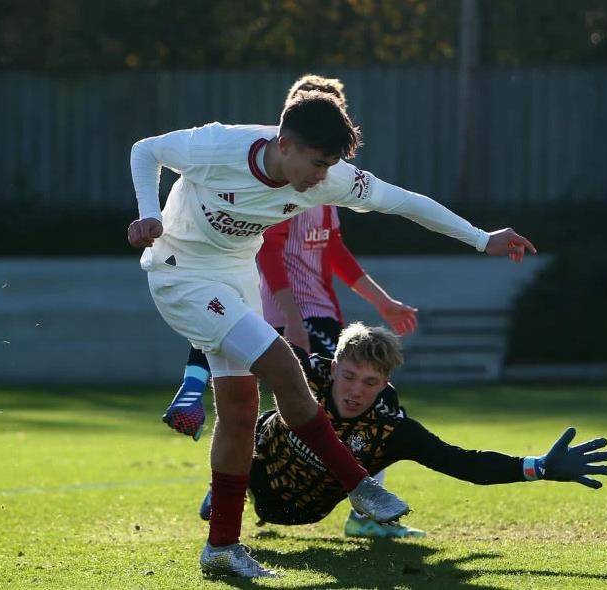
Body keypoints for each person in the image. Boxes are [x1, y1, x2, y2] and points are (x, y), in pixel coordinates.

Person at [127, 90, 535, 578]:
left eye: (330, 167)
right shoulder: (218, 146)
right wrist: (148, 211)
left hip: (234, 273)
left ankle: (221, 549)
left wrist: (482, 238)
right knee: (281, 364)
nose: (323, 178)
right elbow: (145, 149)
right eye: (317, 164)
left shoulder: (326, 177)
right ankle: (358, 484)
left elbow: (401, 201)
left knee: (239, 410)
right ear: (285, 144)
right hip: (181, 273)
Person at [162, 74, 422, 540]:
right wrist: (291, 316)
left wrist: (381, 301)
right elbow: (265, 251)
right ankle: (359, 496)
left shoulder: (327, 186)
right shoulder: (284, 184)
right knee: (330, 394)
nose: (330, 162)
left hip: (318, 308)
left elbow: (336, 254)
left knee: (278, 400)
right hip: (287, 308)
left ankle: (228, 516)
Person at [196, 322, 607, 535]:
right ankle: (226, 486)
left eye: (371, 383)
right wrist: (192, 384)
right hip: (257, 471)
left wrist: (537, 467)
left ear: (385, 385)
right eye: (350, 376)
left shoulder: (392, 429)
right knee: (260, 414)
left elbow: (462, 463)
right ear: (335, 366)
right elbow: (228, 330)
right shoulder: (305, 370)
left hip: (301, 513)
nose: (356, 391)